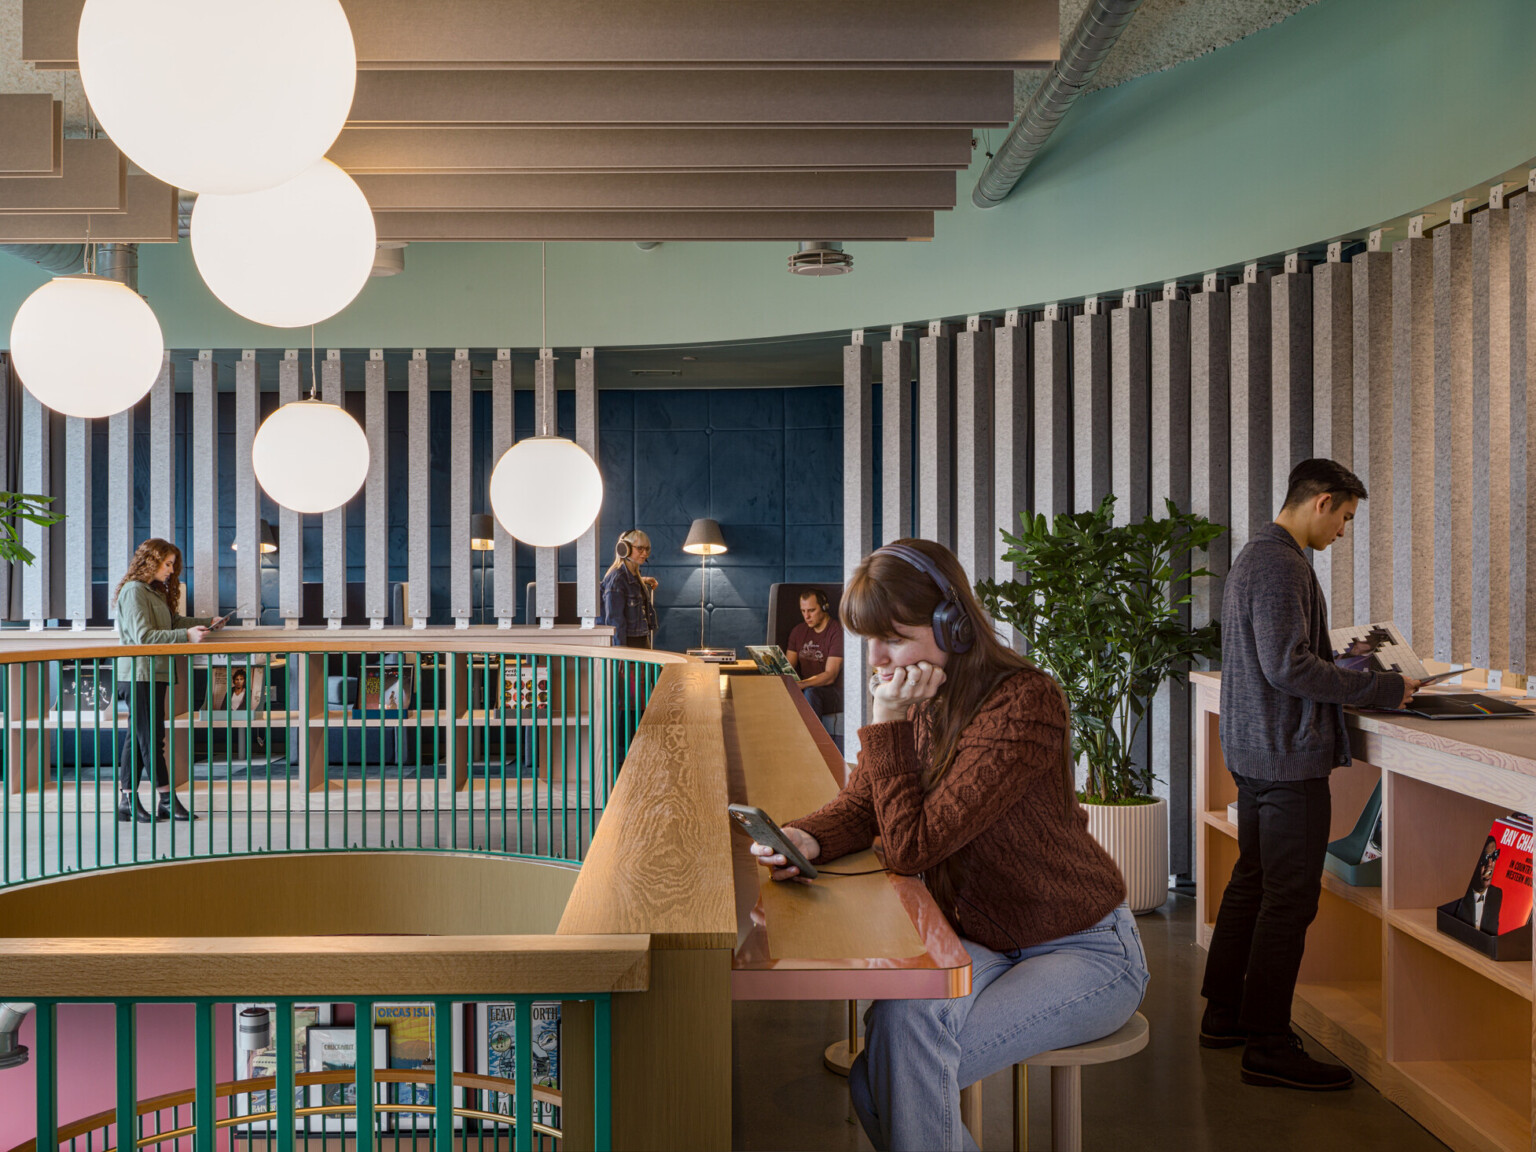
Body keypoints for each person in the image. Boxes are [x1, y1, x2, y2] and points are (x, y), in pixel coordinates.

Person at [750, 539, 1147, 1152]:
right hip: (982, 939)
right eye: (869, 641)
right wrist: (806, 835)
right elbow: (866, 803)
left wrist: (884, 721)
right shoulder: (919, 696)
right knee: (894, 1035)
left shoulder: (1024, 703)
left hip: (1083, 948)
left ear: (952, 625)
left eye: (894, 637)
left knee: (880, 1081)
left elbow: (913, 846)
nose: (877, 658)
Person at [1200, 458, 1417, 1090]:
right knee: (1288, 899)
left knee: (1254, 880)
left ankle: (1226, 1013)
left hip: (1256, 750)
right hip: (1284, 755)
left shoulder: (1260, 557)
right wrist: (1380, 686)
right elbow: (1288, 668)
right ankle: (1267, 1042)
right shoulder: (1278, 563)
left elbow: (1283, 662)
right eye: (1346, 518)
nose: (1344, 533)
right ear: (1321, 502)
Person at [112, 538, 225, 823]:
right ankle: (165, 798)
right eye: (168, 564)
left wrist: (207, 621)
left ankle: (126, 801)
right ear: (151, 561)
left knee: (137, 741)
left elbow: (171, 625)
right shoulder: (134, 591)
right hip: (139, 674)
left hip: (153, 673)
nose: (172, 570)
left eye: (174, 564)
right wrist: (187, 637)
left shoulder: (154, 592)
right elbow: (144, 637)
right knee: (152, 739)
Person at [784, 589, 844, 716]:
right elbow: (787, 667)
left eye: (811, 610)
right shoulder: (798, 631)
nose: (807, 616)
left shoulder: (837, 632)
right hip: (807, 688)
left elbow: (830, 676)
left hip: (832, 692)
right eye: (803, 611)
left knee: (811, 692)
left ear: (824, 607)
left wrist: (802, 684)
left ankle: (812, 736)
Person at [598, 529, 658, 649]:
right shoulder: (617, 579)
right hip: (628, 643)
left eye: (647, 549)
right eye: (640, 548)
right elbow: (615, 620)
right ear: (624, 548)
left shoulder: (633, 576)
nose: (645, 553)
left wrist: (643, 580)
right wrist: (620, 650)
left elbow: (628, 587)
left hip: (640, 639)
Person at [1455, 836, 1504, 933]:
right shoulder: (1460, 893)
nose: (1490, 864)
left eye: (1494, 856)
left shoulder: (1496, 895)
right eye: (1485, 858)